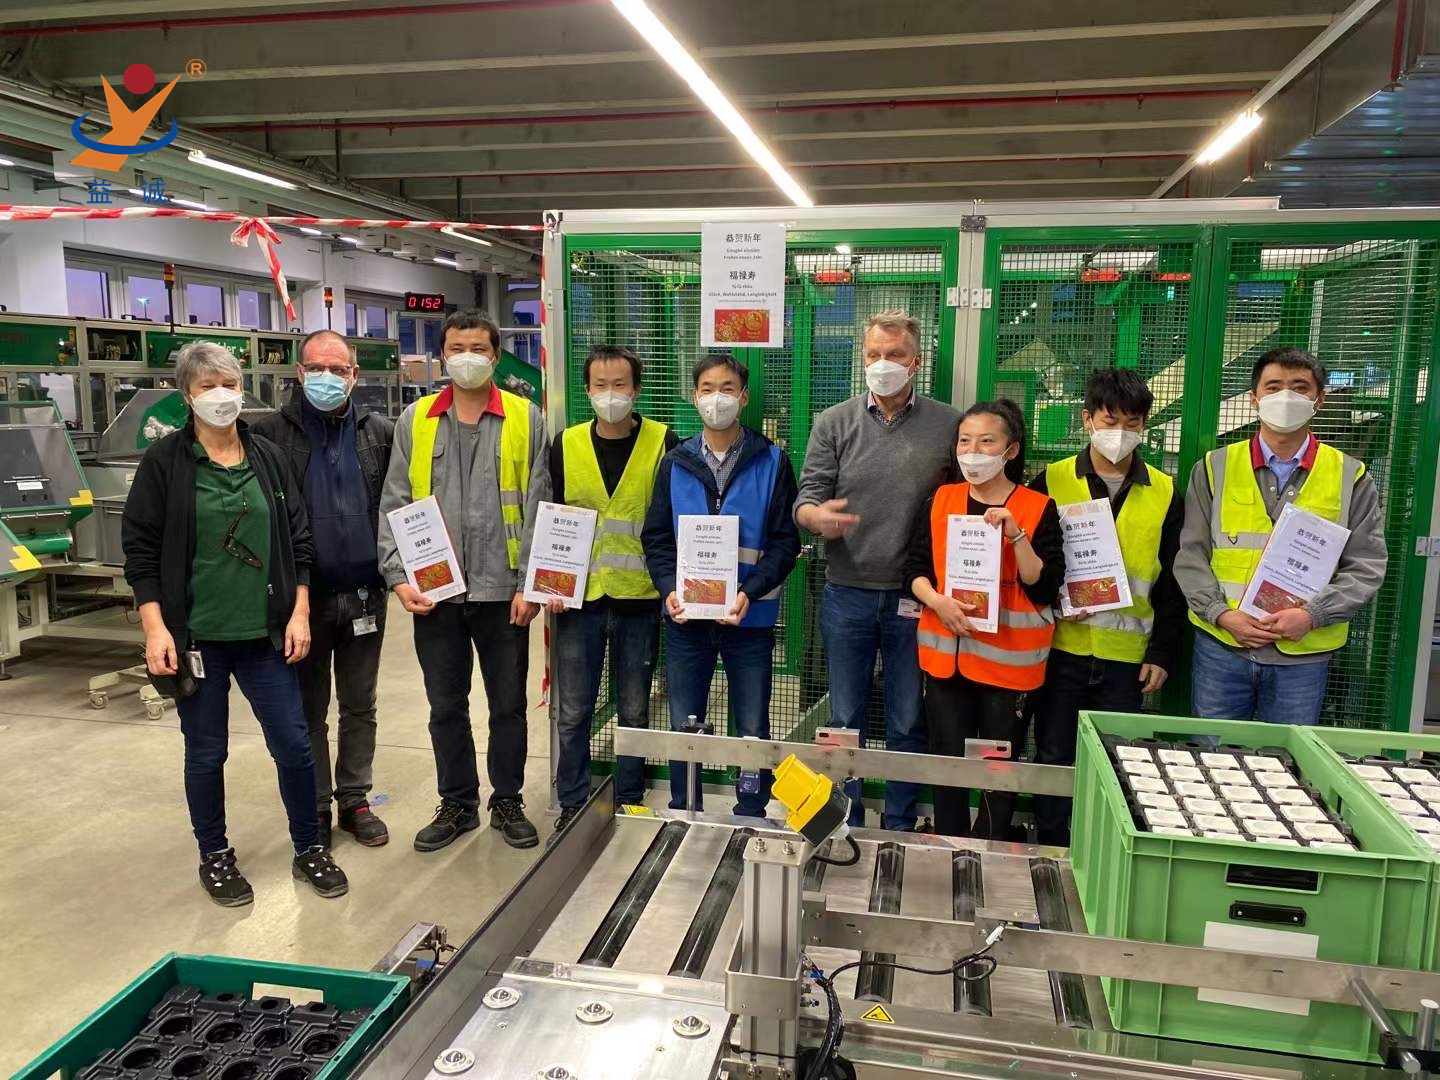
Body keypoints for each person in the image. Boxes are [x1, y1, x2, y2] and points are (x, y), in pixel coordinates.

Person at [122, 341, 348, 906]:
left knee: (294, 745)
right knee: (206, 753)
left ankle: (309, 846)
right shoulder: (166, 464)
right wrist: (155, 629)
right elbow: (141, 553)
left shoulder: (266, 457)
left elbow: (299, 540)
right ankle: (215, 855)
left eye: (229, 384)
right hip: (197, 637)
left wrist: (299, 611)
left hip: (265, 636)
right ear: (187, 395)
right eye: (207, 386)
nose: (221, 395)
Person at [377, 310, 551, 850]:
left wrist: (530, 584)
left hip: (503, 592)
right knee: (445, 706)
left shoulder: (526, 418)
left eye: (478, 348)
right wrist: (398, 576)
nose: (467, 357)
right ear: (442, 355)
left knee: (508, 705)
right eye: (457, 348)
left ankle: (508, 800)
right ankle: (457, 803)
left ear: (496, 356)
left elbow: (538, 502)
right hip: (436, 594)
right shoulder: (417, 419)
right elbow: (395, 499)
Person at [794, 310, 960, 830]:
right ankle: (846, 819)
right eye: (873, 355)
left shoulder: (949, 425)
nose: (882, 364)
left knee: (908, 718)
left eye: (894, 355)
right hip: (847, 592)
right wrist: (815, 518)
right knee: (845, 719)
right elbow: (807, 498)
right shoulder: (834, 422)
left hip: (918, 596)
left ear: (916, 362)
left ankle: (901, 823)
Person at [1175, 347, 1387, 725]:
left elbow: (1366, 566)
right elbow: (1191, 554)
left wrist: (1312, 615)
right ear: (1254, 398)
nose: (1285, 396)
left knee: (1289, 756)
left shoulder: (1350, 476)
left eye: (1300, 387)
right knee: (1213, 751)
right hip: (1224, 646)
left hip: (1303, 654)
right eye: (1273, 387)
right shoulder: (1213, 468)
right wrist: (1221, 614)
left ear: (1319, 400)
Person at [1026, 368, 1184, 846]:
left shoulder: (1165, 491)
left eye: (1132, 423)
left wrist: (1162, 652)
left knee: (1118, 762)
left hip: (1126, 661)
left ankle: (1105, 850)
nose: (1120, 433)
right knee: (1054, 754)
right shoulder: (1051, 480)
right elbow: (1029, 562)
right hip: (1061, 651)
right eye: (1110, 420)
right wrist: (1052, 601)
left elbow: (1173, 581)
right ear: (1087, 419)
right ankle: (1051, 845)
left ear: (1145, 426)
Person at [252, 330, 395, 850]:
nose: (327, 378)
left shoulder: (380, 433)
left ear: (354, 375)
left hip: (365, 596)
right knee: (308, 711)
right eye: (317, 368)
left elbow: (399, 507)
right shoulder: (267, 436)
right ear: (299, 372)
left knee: (360, 705)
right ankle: (314, 806)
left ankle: (354, 800)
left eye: (338, 369)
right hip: (301, 602)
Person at [641, 353, 800, 816]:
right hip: (686, 620)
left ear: (744, 397)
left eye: (727, 388)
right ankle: (685, 809)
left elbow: (785, 541)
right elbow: (657, 538)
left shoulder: (772, 461)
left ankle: (751, 811)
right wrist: (668, 588)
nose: (717, 398)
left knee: (752, 727)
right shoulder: (676, 462)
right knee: (683, 726)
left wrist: (750, 591)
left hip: (749, 619)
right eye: (708, 389)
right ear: (695, 397)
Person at [903, 400, 1063, 840]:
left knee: (998, 767)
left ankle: (989, 846)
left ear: (1011, 450)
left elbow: (1045, 586)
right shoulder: (941, 500)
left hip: (1007, 669)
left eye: (986, 442)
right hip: (947, 663)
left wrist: (1017, 535)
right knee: (947, 761)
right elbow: (914, 570)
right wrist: (938, 602)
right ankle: (950, 843)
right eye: (965, 441)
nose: (973, 452)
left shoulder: (1036, 507)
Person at [546, 345, 678, 836]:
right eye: (600, 385)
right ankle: (572, 800)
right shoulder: (565, 444)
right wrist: (549, 583)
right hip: (577, 600)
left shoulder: (663, 442)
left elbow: (672, 519)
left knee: (635, 708)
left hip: (640, 599)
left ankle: (630, 798)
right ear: (586, 390)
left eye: (619, 384)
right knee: (573, 709)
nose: (610, 394)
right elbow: (553, 516)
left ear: (636, 389)